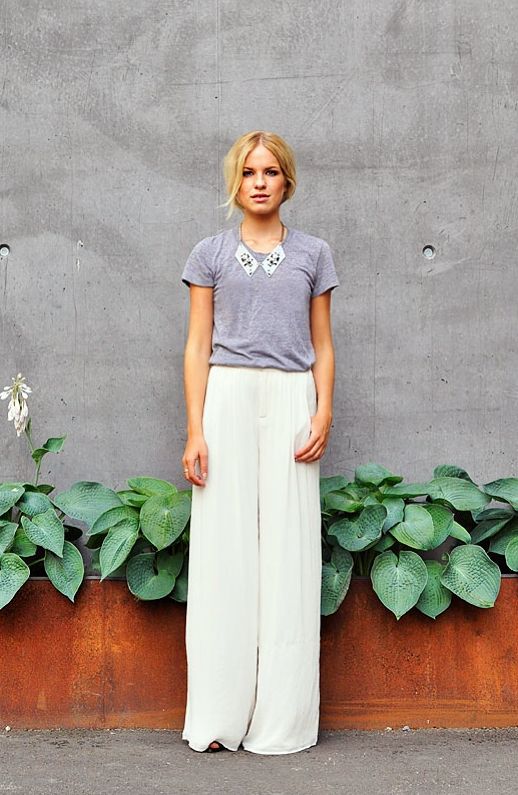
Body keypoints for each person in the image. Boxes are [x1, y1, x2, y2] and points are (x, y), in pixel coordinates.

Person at [180, 130, 340, 755]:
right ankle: (219, 717)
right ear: (236, 182)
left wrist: (323, 410)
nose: (260, 182)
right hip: (227, 398)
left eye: (270, 172)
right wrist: (196, 428)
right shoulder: (209, 254)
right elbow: (197, 346)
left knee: (288, 555)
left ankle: (282, 721)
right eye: (249, 172)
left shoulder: (314, 254)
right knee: (223, 553)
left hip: (292, 398)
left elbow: (322, 343)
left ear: (287, 180)